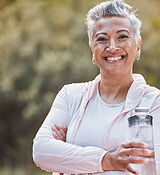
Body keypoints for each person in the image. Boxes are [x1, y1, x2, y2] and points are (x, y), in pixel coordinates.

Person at [33, 0, 160, 174]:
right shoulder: (70, 96)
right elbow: (41, 152)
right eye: (102, 39)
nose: (112, 47)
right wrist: (109, 160)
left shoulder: (154, 102)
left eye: (122, 36)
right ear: (92, 48)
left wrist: (68, 157)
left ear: (138, 46)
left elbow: (152, 169)